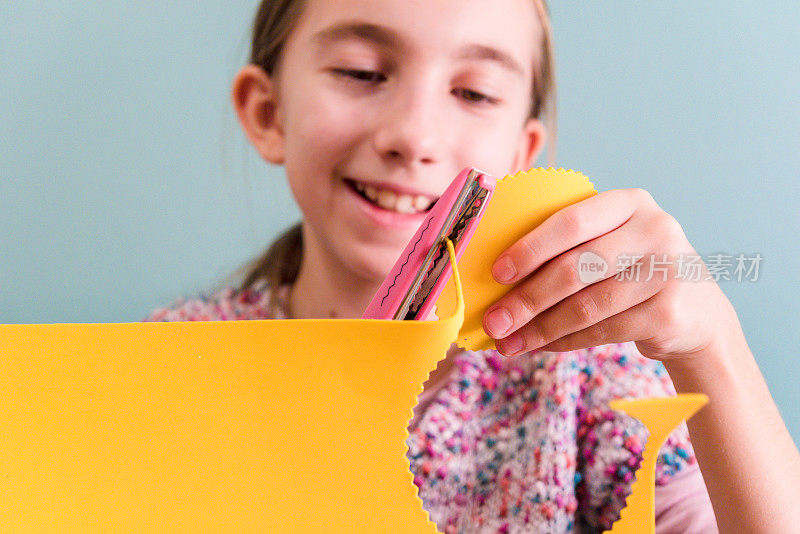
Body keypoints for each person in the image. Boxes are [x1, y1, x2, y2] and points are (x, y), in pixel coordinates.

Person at [144, 0, 800, 532]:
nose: (415, 137)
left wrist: (712, 347)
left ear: (522, 154)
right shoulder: (168, 372)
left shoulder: (591, 379)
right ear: (267, 113)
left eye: (475, 92)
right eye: (362, 72)